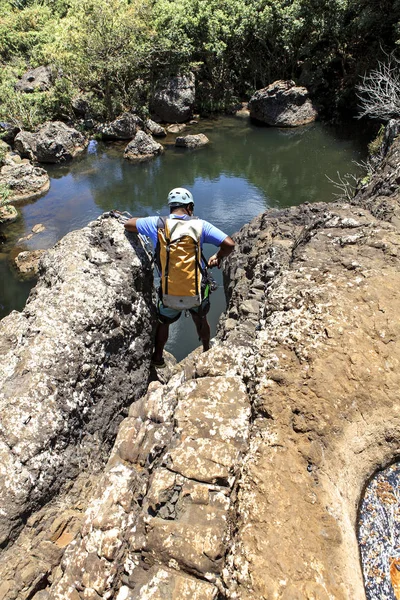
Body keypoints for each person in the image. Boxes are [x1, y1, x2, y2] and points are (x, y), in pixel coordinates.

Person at [124, 187, 235, 366]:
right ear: (190, 207)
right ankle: (207, 350)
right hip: (196, 291)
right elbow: (229, 244)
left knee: (164, 323)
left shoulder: (157, 224)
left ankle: (158, 358)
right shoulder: (201, 226)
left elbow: (128, 225)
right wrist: (218, 256)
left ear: (171, 207)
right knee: (201, 319)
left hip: (169, 291)